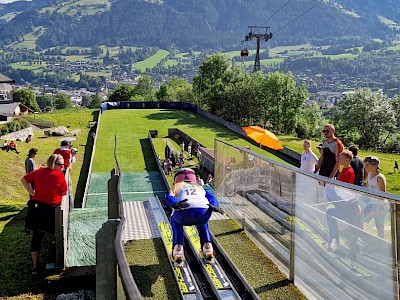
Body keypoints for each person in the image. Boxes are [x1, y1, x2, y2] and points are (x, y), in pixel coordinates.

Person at [164, 168, 223, 266]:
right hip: (203, 211)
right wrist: (215, 205)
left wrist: (175, 204)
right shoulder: (199, 187)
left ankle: (178, 249)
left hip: (184, 213)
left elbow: (168, 197)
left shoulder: (177, 186)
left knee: (175, 221)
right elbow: (212, 198)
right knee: (203, 224)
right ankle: (207, 247)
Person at [21, 154, 67, 275]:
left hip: (36, 208)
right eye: (60, 164)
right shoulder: (59, 175)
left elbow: (24, 179)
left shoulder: (39, 171)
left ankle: (35, 266)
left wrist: (32, 192)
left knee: (37, 237)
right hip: (50, 210)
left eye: (63, 164)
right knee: (55, 234)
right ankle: (57, 259)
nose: (63, 167)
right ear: (53, 164)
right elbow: (64, 192)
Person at [363, 156, 388, 238]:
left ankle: (381, 243)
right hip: (372, 203)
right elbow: (367, 187)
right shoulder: (369, 175)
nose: (365, 167)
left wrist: (377, 209)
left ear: (374, 166)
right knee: (361, 219)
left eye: (367, 166)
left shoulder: (379, 178)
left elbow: (383, 194)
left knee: (379, 226)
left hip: (380, 205)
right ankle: (363, 239)